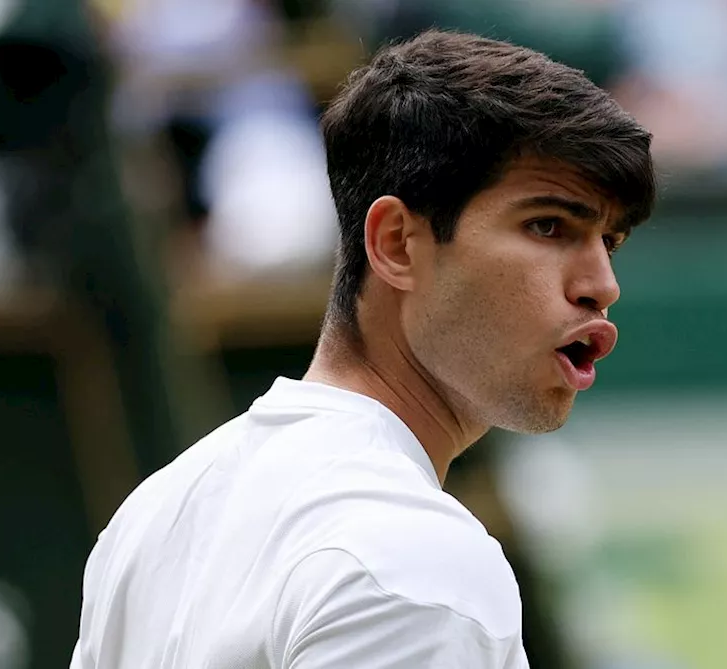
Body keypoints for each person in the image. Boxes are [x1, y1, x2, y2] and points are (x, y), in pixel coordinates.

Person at [70, 29, 656, 667]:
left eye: (610, 243)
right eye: (548, 226)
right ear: (398, 244)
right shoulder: (417, 564)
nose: (602, 286)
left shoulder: (154, 511)